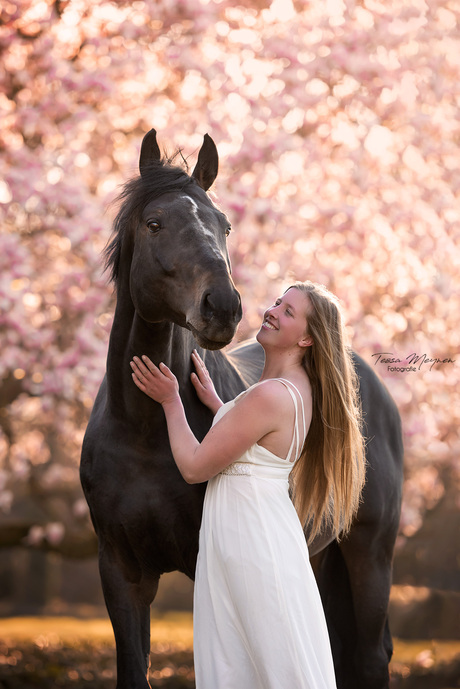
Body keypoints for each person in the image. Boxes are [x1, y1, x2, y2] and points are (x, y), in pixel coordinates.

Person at [130, 280, 366, 689]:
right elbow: (255, 447)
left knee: (246, 663)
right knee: (261, 660)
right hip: (262, 536)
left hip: (247, 544)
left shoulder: (269, 396)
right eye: (278, 302)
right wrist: (223, 409)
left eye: (288, 312)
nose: (272, 310)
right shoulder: (291, 391)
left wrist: (171, 401)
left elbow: (194, 466)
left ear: (308, 339)